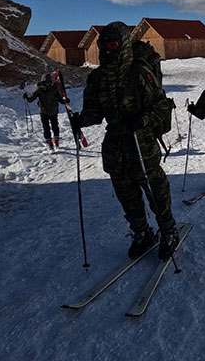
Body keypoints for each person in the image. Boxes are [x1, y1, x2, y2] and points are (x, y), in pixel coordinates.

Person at [70, 22, 179, 261]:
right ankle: (142, 232)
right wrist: (81, 120)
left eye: (113, 45)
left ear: (123, 45)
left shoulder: (139, 72)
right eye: (103, 45)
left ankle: (168, 231)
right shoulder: (97, 77)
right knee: (125, 193)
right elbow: (94, 112)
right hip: (116, 146)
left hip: (142, 143)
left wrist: (142, 119)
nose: (108, 50)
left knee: (154, 189)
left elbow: (161, 105)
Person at [24, 73, 67, 150]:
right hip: (44, 112)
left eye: (49, 82)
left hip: (53, 111)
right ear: (42, 82)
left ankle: (56, 140)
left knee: (55, 126)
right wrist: (26, 97)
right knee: (46, 127)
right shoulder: (39, 90)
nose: (48, 84)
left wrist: (65, 101)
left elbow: (60, 99)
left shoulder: (54, 89)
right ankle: (49, 142)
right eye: (46, 82)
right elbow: (31, 99)